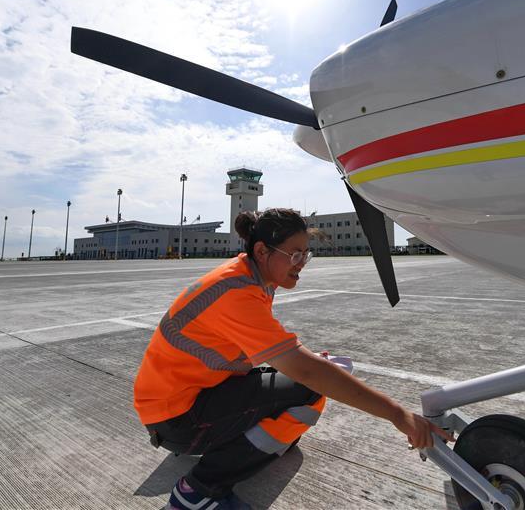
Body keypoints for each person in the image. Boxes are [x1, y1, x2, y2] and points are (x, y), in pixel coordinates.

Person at [134, 208, 451, 510]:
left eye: (306, 254)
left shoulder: (251, 278)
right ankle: (197, 492)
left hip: (184, 401)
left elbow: (253, 353)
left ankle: (249, 442)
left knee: (308, 383)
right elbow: (307, 372)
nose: (301, 263)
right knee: (311, 391)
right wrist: (398, 414)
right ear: (262, 251)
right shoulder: (237, 291)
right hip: (177, 420)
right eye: (294, 254)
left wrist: (310, 364)